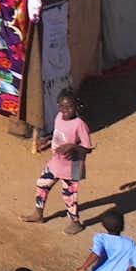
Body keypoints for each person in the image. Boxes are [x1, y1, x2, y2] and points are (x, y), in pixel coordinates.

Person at [31, 88, 92, 229]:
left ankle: (75, 223)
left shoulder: (79, 124)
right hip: (57, 161)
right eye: (63, 106)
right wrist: (47, 140)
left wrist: (72, 147)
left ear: (75, 107)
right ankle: (38, 214)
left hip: (73, 165)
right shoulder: (58, 117)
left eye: (69, 107)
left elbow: (87, 148)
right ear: (58, 106)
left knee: (69, 196)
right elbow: (57, 133)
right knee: (42, 183)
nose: (66, 110)